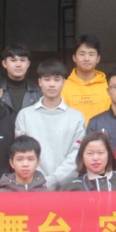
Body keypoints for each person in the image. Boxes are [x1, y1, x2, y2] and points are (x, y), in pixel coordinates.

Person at [15, 59, 86, 189]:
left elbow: (76, 155)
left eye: (57, 79)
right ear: (40, 82)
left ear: (64, 82)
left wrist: (52, 181)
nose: (52, 84)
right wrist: (40, 181)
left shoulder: (76, 117)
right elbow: (22, 152)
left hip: (68, 188)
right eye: (47, 79)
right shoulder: (25, 115)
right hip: (33, 187)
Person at [62, 34, 111, 123]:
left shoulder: (108, 87)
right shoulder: (63, 87)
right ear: (74, 57)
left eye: (91, 54)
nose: (86, 58)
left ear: (98, 58)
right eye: (82, 54)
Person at [0, 44, 42, 111]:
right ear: (4, 64)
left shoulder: (38, 92)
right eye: (13, 60)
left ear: (28, 64)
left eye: (22, 60)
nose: (18, 65)